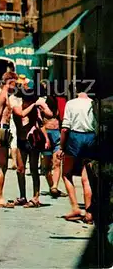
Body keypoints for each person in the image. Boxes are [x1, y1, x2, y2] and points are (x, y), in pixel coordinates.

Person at [61, 82, 97, 223]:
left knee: (66, 173)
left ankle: (75, 206)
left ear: (76, 90)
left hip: (75, 137)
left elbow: (65, 128)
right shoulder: (93, 103)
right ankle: (89, 213)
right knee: (86, 177)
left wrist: (62, 148)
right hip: (90, 137)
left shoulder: (71, 103)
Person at [11, 89, 51, 207]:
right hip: (21, 141)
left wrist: (47, 139)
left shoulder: (35, 110)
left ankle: (35, 197)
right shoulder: (17, 108)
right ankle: (23, 195)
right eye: (27, 100)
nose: (28, 102)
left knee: (34, 169)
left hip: (33, 142)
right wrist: (34, 104)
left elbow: (48, 117)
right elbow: (22, 114)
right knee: (20, 169)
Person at [0, 71, 18, 208]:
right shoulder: (2, 96)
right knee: (2, 165)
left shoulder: (7, 95)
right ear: (10, 81)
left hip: (4, 129)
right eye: (15, 82)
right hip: (2, 130)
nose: (17, 85)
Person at [39, 85, 67, 198]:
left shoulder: (60, 102)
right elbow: (40, 122)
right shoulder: (41, 102)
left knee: (57, 162)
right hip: (46, 133)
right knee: (46, 165)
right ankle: (52, 186)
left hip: (56, 134)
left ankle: (55, 186)